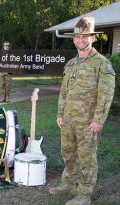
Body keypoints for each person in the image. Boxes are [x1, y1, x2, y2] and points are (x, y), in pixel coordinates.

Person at [49, 16, 115, 205]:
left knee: (86, 158)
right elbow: (64, 92)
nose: (81, 40)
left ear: (93, 38)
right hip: (69, 119)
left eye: (85, 37)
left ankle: (84, 194)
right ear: (73, 38)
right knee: (68, 153)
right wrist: (60, 113)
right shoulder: (71, 64)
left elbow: (106, 94)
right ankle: (68, 183)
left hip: (88, 122)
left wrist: (99, 120)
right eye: (78, 36)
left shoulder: (102, 64)